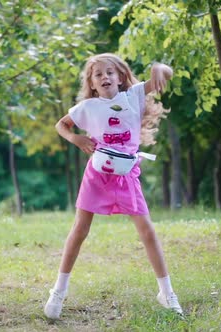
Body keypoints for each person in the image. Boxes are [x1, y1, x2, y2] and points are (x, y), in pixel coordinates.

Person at [44, 53, 183, 319]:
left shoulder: (133, 97)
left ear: (120, 77)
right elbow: (61, 125)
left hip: (126, 175)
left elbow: (166, 73)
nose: (105, 77)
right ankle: (58, 291)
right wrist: (76, 139)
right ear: (92, 83)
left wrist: (159, 69)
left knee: (147, 231)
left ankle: (166, 293)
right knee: (80, 229)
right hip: (97, 174)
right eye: (98, 74)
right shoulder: (88, 107)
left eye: (110, 72)